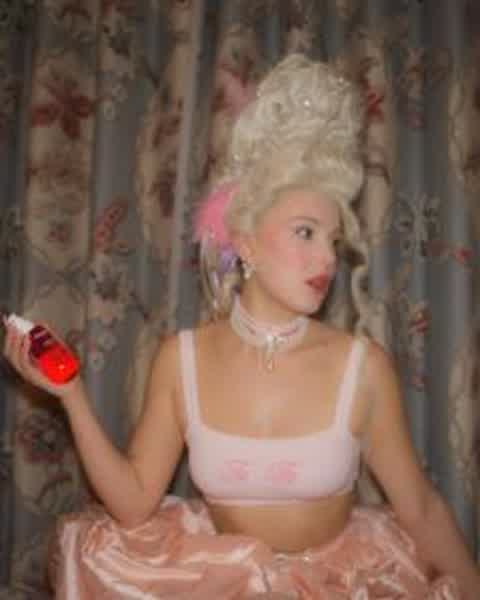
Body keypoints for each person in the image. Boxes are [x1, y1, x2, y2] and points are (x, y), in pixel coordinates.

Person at [3, 54, 479, 599]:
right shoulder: (181, 359)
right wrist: (72, 397)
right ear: (245, 242)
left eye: (333, 240)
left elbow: (420, 508)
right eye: (305, 232)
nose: (327, 258)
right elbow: (133, 504)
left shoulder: (363, 367)